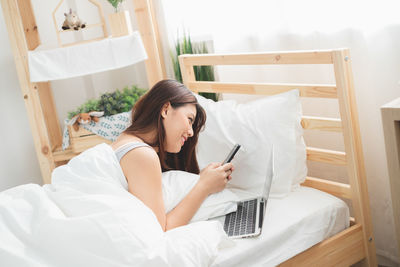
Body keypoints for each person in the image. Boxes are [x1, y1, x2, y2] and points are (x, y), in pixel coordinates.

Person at [111, 79, 234, 232]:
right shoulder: (142, 155)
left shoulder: (125, 140)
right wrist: (204, 186)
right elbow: (159, 230)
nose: (190, 132)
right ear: (166, 109)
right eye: (189, 119)